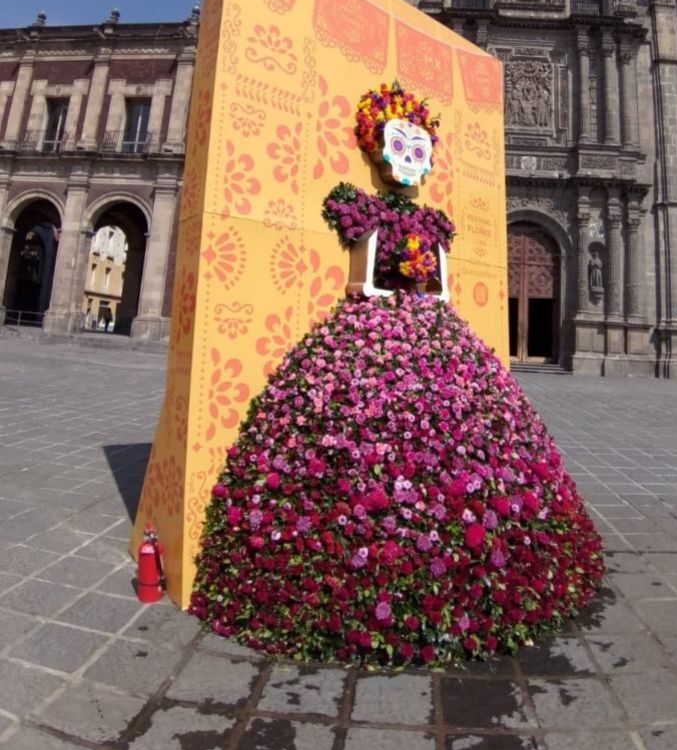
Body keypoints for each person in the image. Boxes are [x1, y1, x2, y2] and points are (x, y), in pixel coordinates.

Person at [190, 82, 603, 666]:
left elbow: (441, 284)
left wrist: (425, 300)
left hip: (424, 333)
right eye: (400, 146)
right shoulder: (371, 214)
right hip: (376, 331)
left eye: (418, 148)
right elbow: (367, 272)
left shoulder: (432, 223)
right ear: (379, 147)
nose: (409, 160)